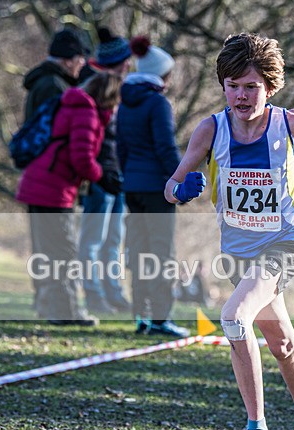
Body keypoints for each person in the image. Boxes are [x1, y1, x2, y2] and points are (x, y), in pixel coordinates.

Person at [163, 33, 294, 430]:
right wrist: (181, 189)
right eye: (234, 85)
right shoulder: (210, 129)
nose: (242, 95)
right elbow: (171, 184)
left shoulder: (288, 123)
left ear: (270, 88)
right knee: (281, 344)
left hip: (283, 246)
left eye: (252, 86)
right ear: (223, 85)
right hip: (239, 254)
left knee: (234, 315)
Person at [16, 72, 124, 326]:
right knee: (64, 253)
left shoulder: (73, 105)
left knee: (49, 252)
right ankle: (68, 312)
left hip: (40, 184)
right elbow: (81, 157)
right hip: (52, 189)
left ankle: (50, 306)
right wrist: (102, 176)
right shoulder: (86, 112)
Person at [116, 36, 189, 337]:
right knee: (161, 253)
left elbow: (120, 147)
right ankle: (160, 318)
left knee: (138, 250)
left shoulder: (126, 102)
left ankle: (140, 316)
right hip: (157, 188)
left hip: (132, 186)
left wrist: (127, 176)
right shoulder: (157, 102)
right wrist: (179, 180)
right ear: (162, 74)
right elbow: (165, 147)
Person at [77, 28, 132, 315]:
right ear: (120, 61)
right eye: (126, 60)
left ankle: (113, 291)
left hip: (119, 174)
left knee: (113, 239)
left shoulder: (122, 87)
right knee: (93, 240)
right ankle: (93, 294)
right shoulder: (94, 86)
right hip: (100, 177)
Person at [23, 29, 88, 120]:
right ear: (69, 61)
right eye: (80, 58)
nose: (83, 63)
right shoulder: (53, 86)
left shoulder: (46, 81)